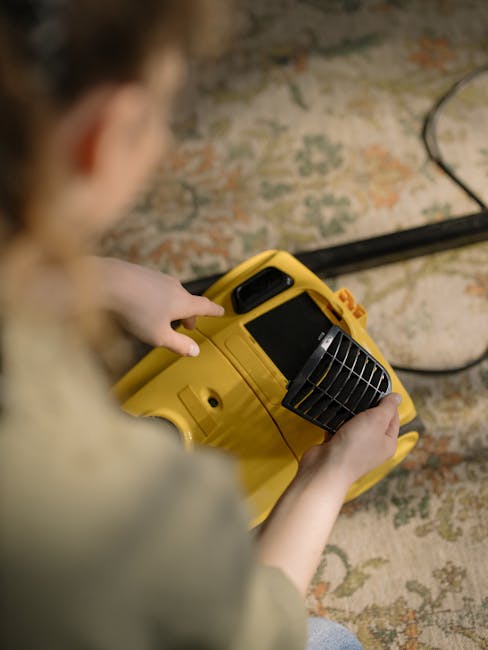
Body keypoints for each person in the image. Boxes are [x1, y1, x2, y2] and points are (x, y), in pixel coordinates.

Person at [0, 2, 402, 648]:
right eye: (164, 110)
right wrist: (327, 477)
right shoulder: (103, 505)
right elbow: (251, 631)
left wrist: (101, 279)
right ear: (105, 134)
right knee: (329, 639)